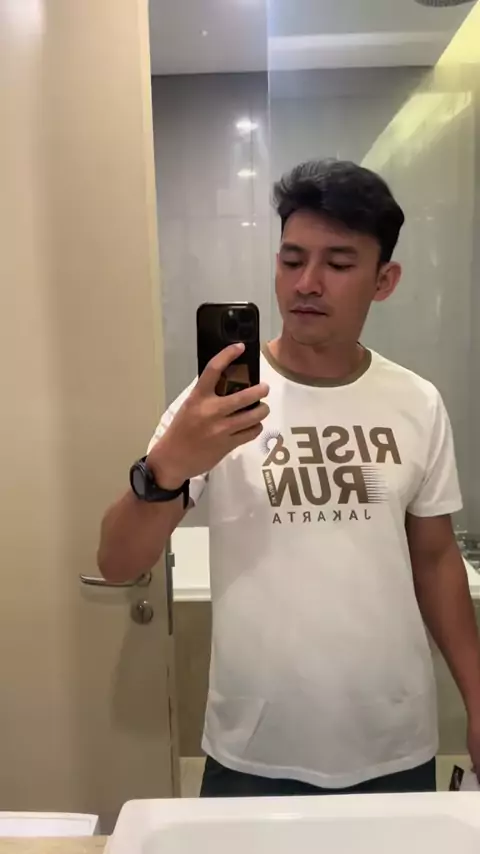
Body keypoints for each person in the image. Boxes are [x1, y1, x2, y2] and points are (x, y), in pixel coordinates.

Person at [98, 159, 480, 797]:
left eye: (338, 263)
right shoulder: (214, 406)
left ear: (384, 280)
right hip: (252, 751)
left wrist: (477, 696)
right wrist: (169, 464)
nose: (306, 283)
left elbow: (436, 559)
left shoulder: (417, 401)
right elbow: (116, 562)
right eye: (292, 259)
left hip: (394, 742)